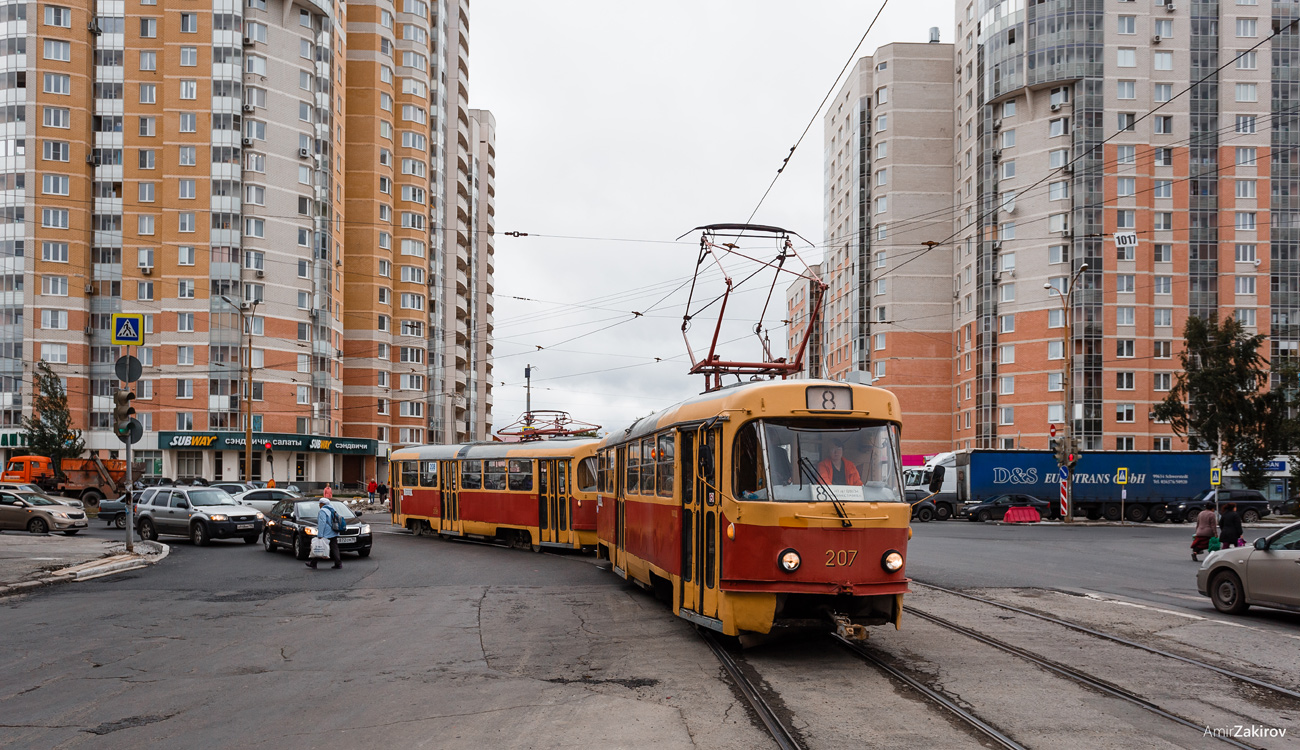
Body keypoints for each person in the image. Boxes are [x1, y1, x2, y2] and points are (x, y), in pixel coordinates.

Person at [307, 498, 342, 569]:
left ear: (323, 504)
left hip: (327, 532)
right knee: (335, 547)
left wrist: (320, 534)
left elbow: (322, 523)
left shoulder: (322, 511)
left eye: (320, 504)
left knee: (320, 546)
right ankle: (338, 563)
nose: (319, 505)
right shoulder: (332, 509)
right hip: (334, 531)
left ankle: (313, 563)